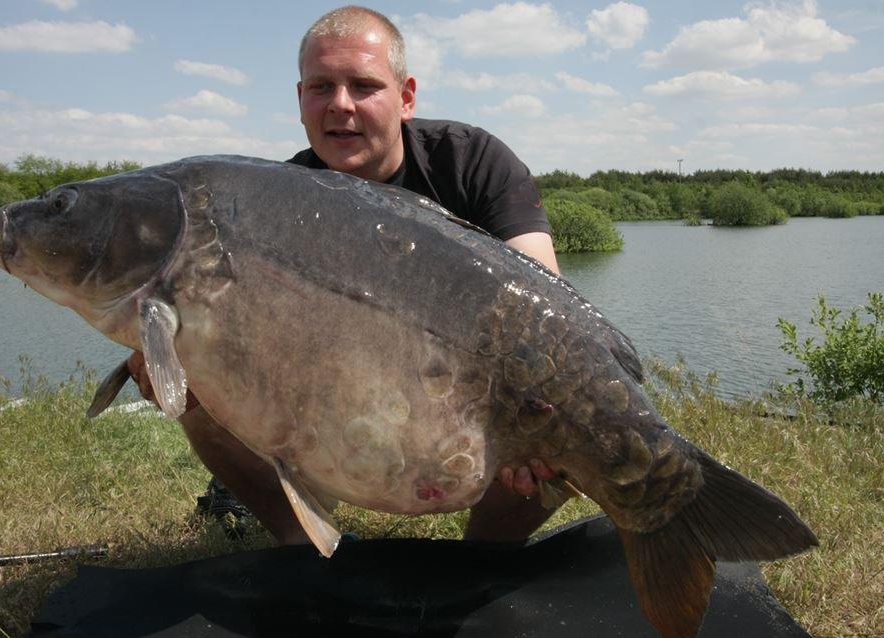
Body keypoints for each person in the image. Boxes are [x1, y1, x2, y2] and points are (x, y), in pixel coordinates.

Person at [129, 5, 562, 546]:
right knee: (195, 388)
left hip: (470, 389)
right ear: (300, 100)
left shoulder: (473, 161)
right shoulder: (280, 198)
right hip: (348, 397)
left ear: (405, 97)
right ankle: (303, 546)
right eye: (321, 87)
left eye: (363, 85)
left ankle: (481, 562)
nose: (340, 105)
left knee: (566, 409)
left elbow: (546, 294)